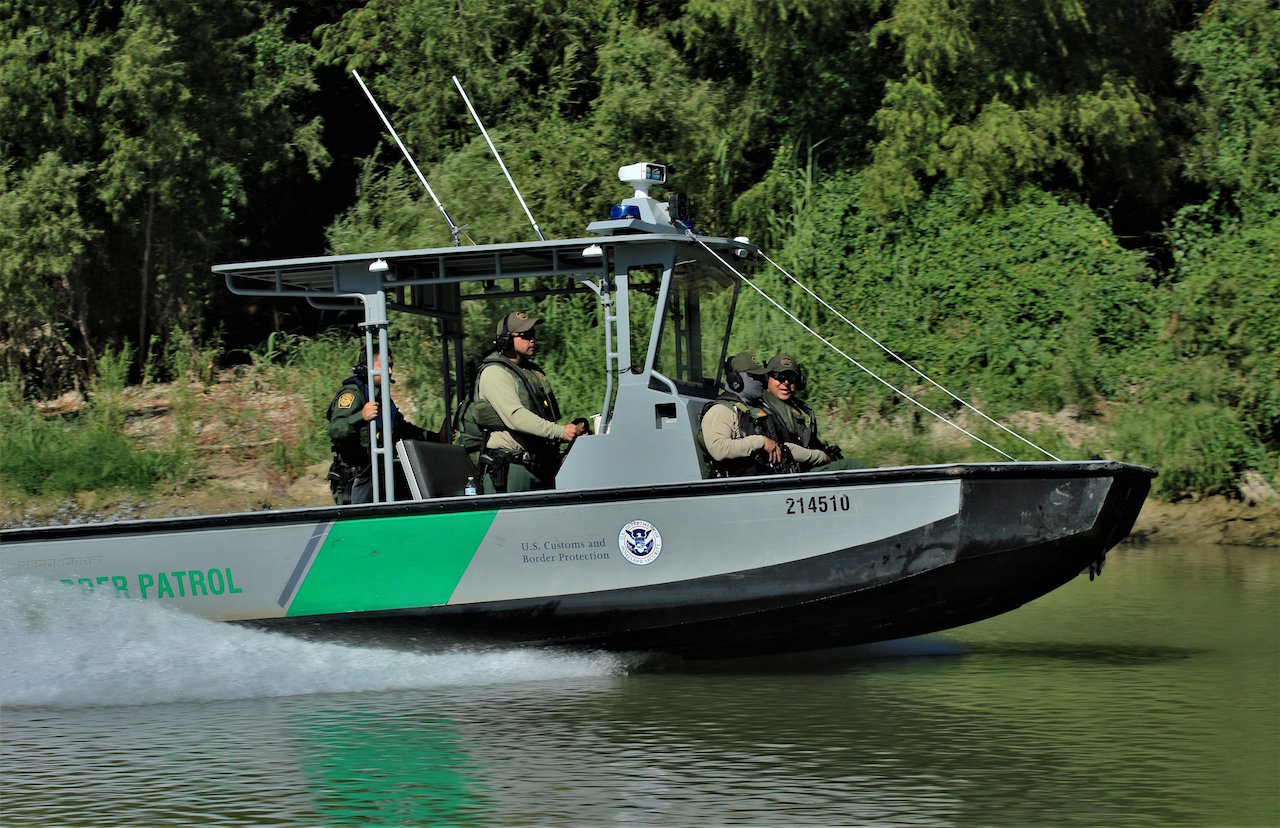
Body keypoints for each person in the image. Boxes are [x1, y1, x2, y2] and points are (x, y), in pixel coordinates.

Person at [459, 311, 585, 493]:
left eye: (533, 334)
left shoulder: (529, 372)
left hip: (537, 467)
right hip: (512, 470)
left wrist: (571, 433)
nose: (532, 339)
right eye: (525, 335)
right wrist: (560, 432)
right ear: (506, 339)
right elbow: (515, 417)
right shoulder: (494, 373)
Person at [699, 352, 831, 477]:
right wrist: (760, 441)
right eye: (755, 377)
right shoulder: (721, 410)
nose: (761, 381)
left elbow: (783, 449)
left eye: (761, 377)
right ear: (736, 381)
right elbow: (718, 449)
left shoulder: (754, 409)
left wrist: (819, 456)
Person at [326, 344, 428, 504]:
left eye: (391, 366)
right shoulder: (352, 394)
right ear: (368, 368)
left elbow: (403, 430)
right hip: (355, 480)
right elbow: (335, 428)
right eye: (385, 366)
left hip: (377, 476)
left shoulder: (381, 398)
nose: (390, 372)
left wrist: (436, 437)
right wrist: (361, 416)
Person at [761, 353, 857, 470]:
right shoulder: (764, 409)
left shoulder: (792, 408)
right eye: (780, 376)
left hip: (803, 466)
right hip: (790, 472)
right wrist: (821, 457)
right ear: (767, 378)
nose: (786, 382)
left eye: (791, 378)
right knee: (854, 466)